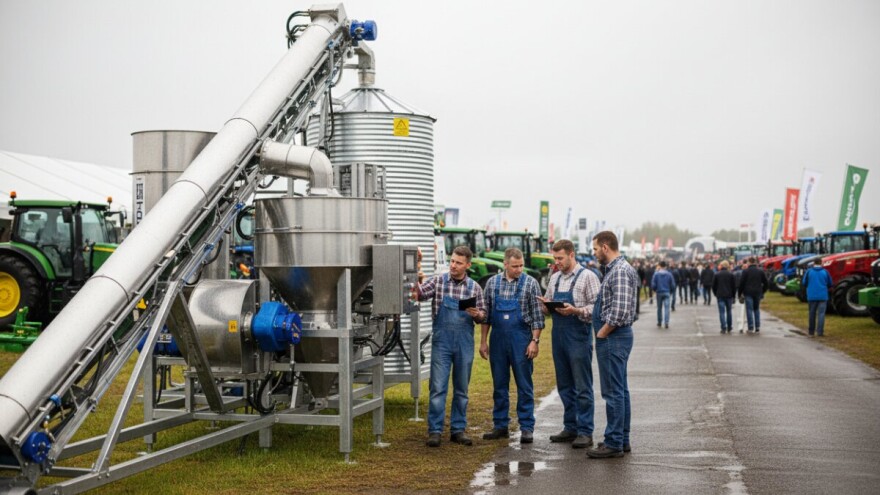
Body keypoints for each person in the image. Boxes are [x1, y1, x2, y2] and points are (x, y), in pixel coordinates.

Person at [415, 245, 487, 447]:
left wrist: (477, 314)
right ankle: (435, 430)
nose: (454, 266)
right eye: (452, 261)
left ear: (468, 265)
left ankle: (458, 429)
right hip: (442, 343)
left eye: (458, 263)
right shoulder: (438, 281)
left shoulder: (474, 288)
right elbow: (419, 295)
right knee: (438, 387)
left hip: (464, 343)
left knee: (462, 389)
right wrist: (415, 275)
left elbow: (483, 315)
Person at [538, 239, 600, 449]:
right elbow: (547, 307)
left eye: (560, 258)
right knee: (564, 384)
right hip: (559, 335)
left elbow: (597, 309)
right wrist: (545, 306)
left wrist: (576, 310)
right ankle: (570, 426)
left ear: (571, 255)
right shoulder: (555, 278)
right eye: (555, 258)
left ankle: (585, 431)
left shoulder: (588, 277)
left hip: (578, 335)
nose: (557, 262)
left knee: (582, 385)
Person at [480, 247, 545, 444]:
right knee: (499, 385)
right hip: (498, 339)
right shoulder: (492, 283)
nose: (519, 269)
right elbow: (487, 315)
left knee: (524, 385)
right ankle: (500, 425)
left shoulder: (530, 284)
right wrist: (483, 341)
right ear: (505, 264)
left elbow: (537, 317)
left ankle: (526, 427)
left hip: (521, 340)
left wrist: (534, 341)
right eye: (515, 266)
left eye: (521, 265)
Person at [587, 231, 639, 459]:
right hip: (615, 336)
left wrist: (602, 332)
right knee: (620, 390)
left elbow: (619, 311)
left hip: (613, 336)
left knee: (613, 392)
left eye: (596, 249)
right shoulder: (616, 270)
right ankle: (621, 438)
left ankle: (614, 442)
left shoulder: (618, 271)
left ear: (605, 247)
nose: (594, 253)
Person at [802, 261, 833, 337]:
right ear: (821, 263)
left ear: (813, 264)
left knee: (812, 314)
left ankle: (811, 331)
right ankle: (820, 332)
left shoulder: (809, 272)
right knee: (821, 314)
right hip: (823, 296)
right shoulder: (825, 272)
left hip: (811, 296)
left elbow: (804, 282)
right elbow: (830, 283)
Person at [738, 257, 768, 333]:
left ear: (749, 262)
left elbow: (741, 283)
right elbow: (766, 283)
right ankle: (757, 327)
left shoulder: (745, 271)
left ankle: (750, 327)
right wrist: (763, 291)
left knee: (749, 310)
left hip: (748, 292)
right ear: (755, 262)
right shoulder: (760, 271)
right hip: (758, 292)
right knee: (756, 309)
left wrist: (739, 293)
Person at [712, 260, 736, 333]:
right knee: (729, 311)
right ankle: (729, 327)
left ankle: (723, 327)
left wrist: (716, 293)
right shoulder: (731, 274)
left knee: (722, 312)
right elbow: (733, 286)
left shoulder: (717, 274)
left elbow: (713, 286)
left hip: (720, 295)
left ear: (722, 266)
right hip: (729, 295)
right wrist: (733, 295)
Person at [651, 261, 675, 328]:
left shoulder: (656, 274)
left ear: (660, 266)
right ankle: (666, 322)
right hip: (667, 292)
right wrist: (671, 291)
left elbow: (653, 284)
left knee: (659, 308)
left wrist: (655, 290)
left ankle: (659, 322)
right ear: (665, 266)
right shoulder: (669, 274)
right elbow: (673, 285)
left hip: (659, 292)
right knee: (667, 308)